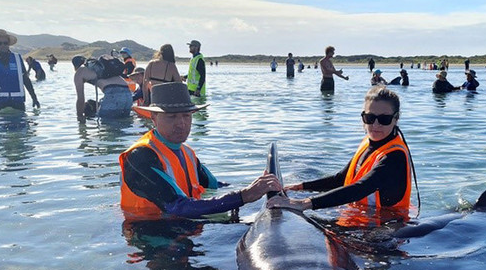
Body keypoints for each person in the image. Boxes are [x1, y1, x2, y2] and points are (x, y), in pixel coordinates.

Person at [119, 82, 281, 220]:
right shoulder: (139, 156)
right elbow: (177, 206)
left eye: (186, 116)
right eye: (172, 117)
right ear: (153, 117)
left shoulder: (187, 153)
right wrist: (244, 196)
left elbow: (215, 185)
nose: (181, 123)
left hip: (186, 228)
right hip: (150, 237)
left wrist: (262, 186)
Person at [267, 86, 413, 223]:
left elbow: (361, 188)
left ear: (396, 119)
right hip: (361, 216)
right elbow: (341, 179)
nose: (375, 125)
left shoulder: (395, 157)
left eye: (384, 119)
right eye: (369, 118)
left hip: (385, 228)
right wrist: (300, 187)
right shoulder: (369, 143)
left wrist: (303, 204)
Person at [0, 29, 40, 112]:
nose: (3, 45)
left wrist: (34, 98)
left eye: (5, 43)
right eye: (0, 43)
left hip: (18, 101)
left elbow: (25, 79)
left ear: (9, 44)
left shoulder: (17, 58)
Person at [73, 54, 133, 120]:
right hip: (128, 93)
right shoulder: (99, 66)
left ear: (75, 66)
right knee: (124, 123)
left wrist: (80, 117)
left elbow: (80, 99)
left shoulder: (79, 72)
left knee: (107, 127)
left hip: (113, 94)